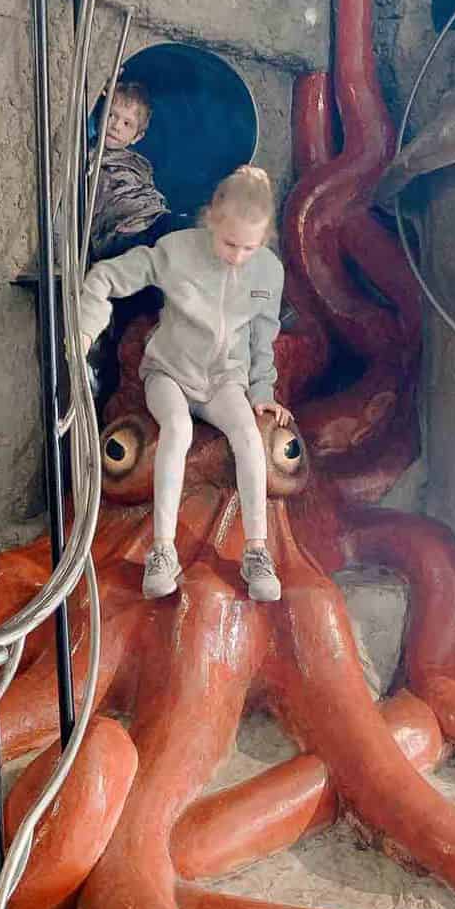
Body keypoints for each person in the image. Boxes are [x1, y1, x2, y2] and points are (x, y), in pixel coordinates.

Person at [80, 165, 291, 602]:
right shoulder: (176, 250)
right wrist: (84, 329)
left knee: (249, 436)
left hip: (223, 379)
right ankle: (162, 551)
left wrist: (263, 392)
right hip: (170, 373)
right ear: (212, 218)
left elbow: (261, 338)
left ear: (265, 238)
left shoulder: (269, 271)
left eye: (249, 247)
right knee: (177, 430)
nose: (236, 255)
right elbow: (105, 277)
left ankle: (257, 551)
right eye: (229, 243)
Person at [88, 81, 173, 262]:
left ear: (137, 136)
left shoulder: (139, 165)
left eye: (127, 123)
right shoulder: (86, 156)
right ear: (97, 115)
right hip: (118, 232)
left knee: (185, 230)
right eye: (111, 116)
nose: (116, 126)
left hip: (150, 218)